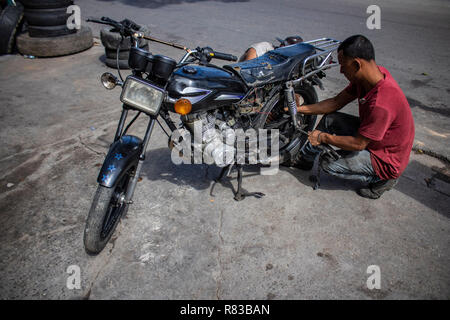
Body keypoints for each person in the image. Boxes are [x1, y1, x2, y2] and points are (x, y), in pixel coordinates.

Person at [291, 34, 415, 199]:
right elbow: (334, 103)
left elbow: (358, 143)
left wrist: (323, 137)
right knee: (330, 119)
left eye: (343, 65)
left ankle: (383, 179)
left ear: (357, 64)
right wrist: (298, 109)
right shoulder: (371, 77)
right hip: (377, 137)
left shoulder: (382, 102)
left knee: (327, 163)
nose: (341, 71)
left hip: (385, 158)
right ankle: (303, 160)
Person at [239, 35, 303, 62]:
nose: (281, 46)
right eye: (282, 45)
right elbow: (252, 52)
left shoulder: (286, 59)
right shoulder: (266, 47)